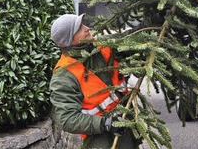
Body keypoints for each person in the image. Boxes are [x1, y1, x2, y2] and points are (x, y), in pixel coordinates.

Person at [49, 14, 137, 148]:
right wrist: (105, 123)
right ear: (69, 40)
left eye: (83, 24)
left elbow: (127, 39)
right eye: (79, 28)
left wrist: (151, 23)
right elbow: (68, 119)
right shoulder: (63, 75)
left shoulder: (99, 46)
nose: (87, 28)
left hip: (125, 124)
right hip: (100, 137)